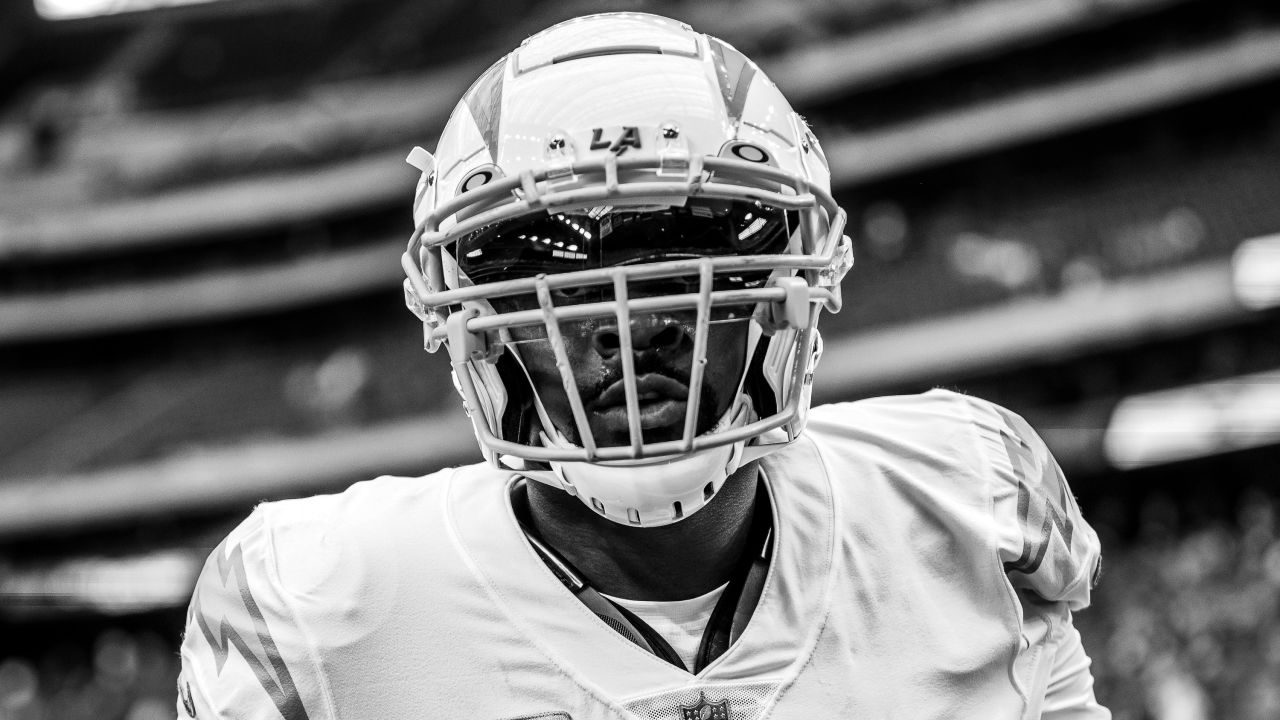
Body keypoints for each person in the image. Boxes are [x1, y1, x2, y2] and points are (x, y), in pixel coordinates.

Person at [176, 12, 1109, 720]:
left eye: (691, 244)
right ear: (476, 327)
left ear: (790, 291)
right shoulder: (317, 612)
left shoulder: (968, 500)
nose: (630, 326)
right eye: (546, 264)